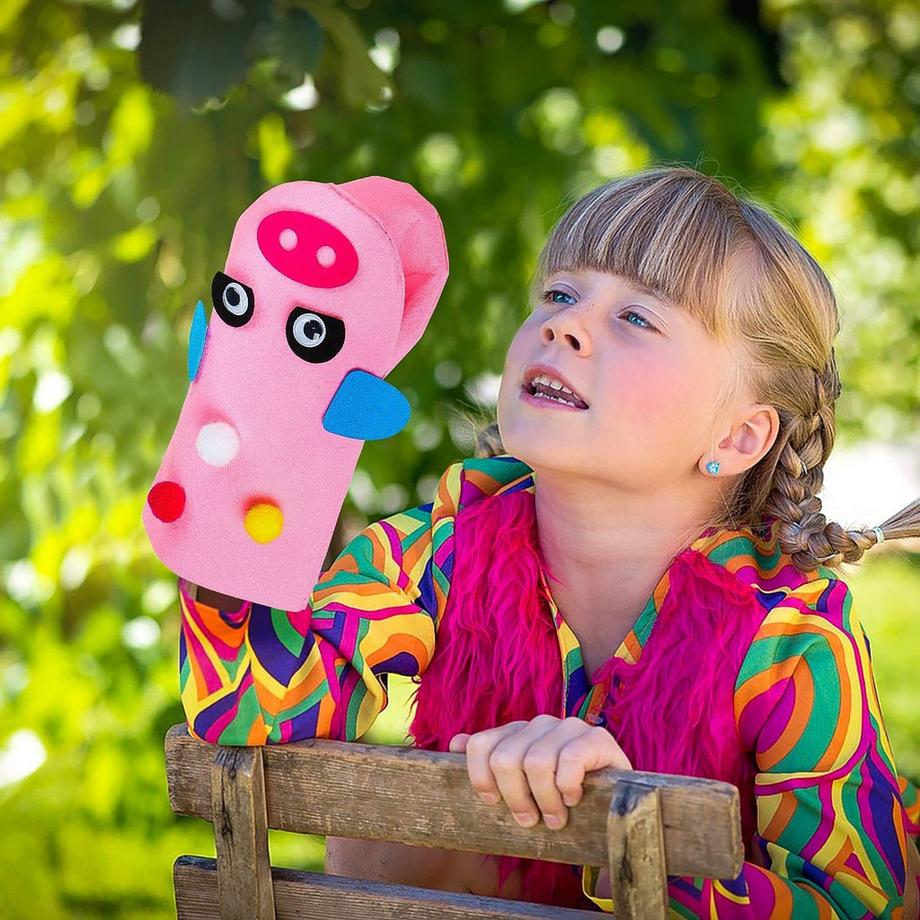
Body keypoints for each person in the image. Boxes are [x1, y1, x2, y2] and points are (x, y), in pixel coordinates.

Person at [177, 165, 920, 916]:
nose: (563, 324)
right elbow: (249, 710)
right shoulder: (437, 550)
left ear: (739, 433)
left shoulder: (792, 641)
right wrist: (250, 445)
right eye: (560, 294)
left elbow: (868, 904)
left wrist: (624, 830)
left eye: (638, 317)